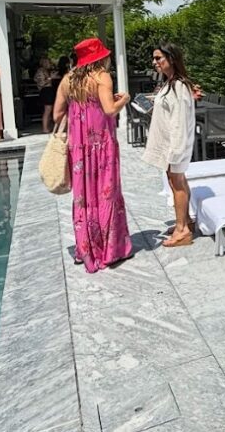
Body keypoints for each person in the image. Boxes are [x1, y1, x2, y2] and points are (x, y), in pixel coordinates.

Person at [53, 37, 132, 273]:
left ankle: (86, 250)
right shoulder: (101, 77)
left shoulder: (68, 80)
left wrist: (80, 109)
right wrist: (124, 99)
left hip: (79, 148)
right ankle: (109, 250)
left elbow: (57, 115)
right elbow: (109, 109)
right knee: (106, 194)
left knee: (83, 198)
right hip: (102, 146)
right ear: (99, 57)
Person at [141, 42, 196, 247]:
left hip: (176, 146)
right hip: (170, 145)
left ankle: (182, 231)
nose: (154, 62)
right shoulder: (170, 83)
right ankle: (186, 220)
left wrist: (176, 151)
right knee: (177, 182)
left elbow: (180, 121)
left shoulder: (178, 86)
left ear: (171, 59)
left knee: (177, 183)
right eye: (154, 58)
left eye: (158, 58)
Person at [35, 56, 57, 133]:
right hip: (45, 91)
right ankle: (45, 128)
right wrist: (50, 78)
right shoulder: (40, 71)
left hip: (49, 90)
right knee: (47, 110)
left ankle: (48, 126)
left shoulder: (46, 71)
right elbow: (41, 83)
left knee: (50, 110)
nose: (50, 64)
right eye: (48, 62)